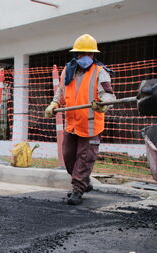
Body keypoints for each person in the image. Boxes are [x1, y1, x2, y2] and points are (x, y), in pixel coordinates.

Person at [45, 33, 116, 205]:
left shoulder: (100, 72)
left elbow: (108, 95)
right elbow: (61, 93)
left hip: (91, 126)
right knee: (69, 157)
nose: (84, 57)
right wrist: (54, 104)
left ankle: (77, 190)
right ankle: (84, 182)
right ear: (75, 55)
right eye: (80, 54)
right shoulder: (68, 72)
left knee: (85, 158)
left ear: (93, 55)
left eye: (87, 54)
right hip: (72, 124)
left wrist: (103, 105)